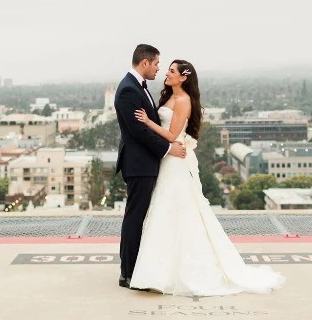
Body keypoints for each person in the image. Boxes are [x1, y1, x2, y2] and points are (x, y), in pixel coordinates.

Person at [128, 59, 286, 297]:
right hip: (166, 159)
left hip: (176, 160)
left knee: (176, 209)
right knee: (164, 210)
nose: (166, 74)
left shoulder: (183, 101)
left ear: (183, 77)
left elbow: (173, 135)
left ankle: (172, 272)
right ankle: (157, 272)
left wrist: (148, 122)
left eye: (171, 71)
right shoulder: (168, 97)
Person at [114, 44, 187, 290]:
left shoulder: (138, 88)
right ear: (144, 63)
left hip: (146, 163)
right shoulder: (128, 90)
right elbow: (139, 131)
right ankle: (128, 274)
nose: (158, 69)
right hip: (139, 164)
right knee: (135, 218)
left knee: (139, 217)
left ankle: (135, 269)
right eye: (156, 64)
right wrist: (169, 149)